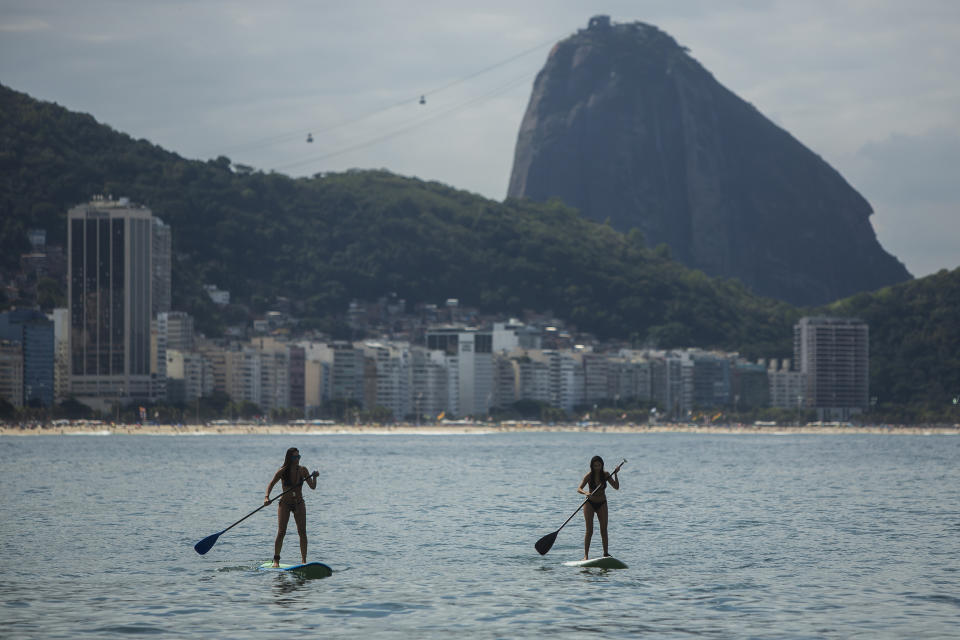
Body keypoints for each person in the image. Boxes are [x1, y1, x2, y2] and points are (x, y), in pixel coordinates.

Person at [265, 447, 318, 567]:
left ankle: (304, 561)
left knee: (302, 532)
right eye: (295, 457)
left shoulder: (303, 470)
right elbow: (271, 484)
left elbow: (313, 487)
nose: (297, 459)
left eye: (299, 457)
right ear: (289, 458)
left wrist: (315, 477)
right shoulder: (282, 471)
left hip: (299, 504)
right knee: (281, 532)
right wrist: (267, 497)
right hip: (285, 504)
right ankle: (276, 560)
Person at [577, 455, 620, 560]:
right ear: (592, 466)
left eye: (599, 465)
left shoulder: (606, 475)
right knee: (589, 530)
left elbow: (616, 487)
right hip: (590, 503)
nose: (597, 468)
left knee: (604, 530)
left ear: (602, 465)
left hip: (602, 503)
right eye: (595, 466)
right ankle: (586, 556)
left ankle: (605, 553)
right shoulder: (589, 475)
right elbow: (579, 488)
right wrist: (586, 492)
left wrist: (616, 475)